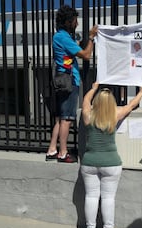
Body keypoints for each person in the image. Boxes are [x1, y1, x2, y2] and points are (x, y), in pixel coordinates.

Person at [80, 82, 142, 228]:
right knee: (108, 197)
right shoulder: (115, 114)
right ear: (111, 103)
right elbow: (132, 104)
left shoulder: (87, 115)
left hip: (89, 162)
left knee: (91, 196)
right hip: (111, 163)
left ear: (96, 102)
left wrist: (93, 88)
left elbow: (85, 100)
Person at [46, 5, 98, 163]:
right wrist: (91, 38)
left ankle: (52, 150)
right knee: (67, 118)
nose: (77, 23)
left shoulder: (61, 36)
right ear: (68, 21)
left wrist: (83, 41)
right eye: (75, 20)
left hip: (62, 79)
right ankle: (63, 153)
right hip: (70, 81)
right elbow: (86, 55)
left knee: (60, 118)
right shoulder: (63, 38)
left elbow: (77, 49)